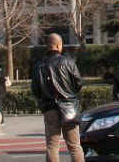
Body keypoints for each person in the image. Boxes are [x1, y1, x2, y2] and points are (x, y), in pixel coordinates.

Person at [31, 33, 84, 162]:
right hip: (69, 107)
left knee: (52, 147)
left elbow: (36, 90)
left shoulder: (39, 66)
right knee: (75, 146)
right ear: (59, 45)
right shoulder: (69, 62)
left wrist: (45, 96)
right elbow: (78, 83)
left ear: (48, 46)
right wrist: (69, 93)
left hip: (50, 108)